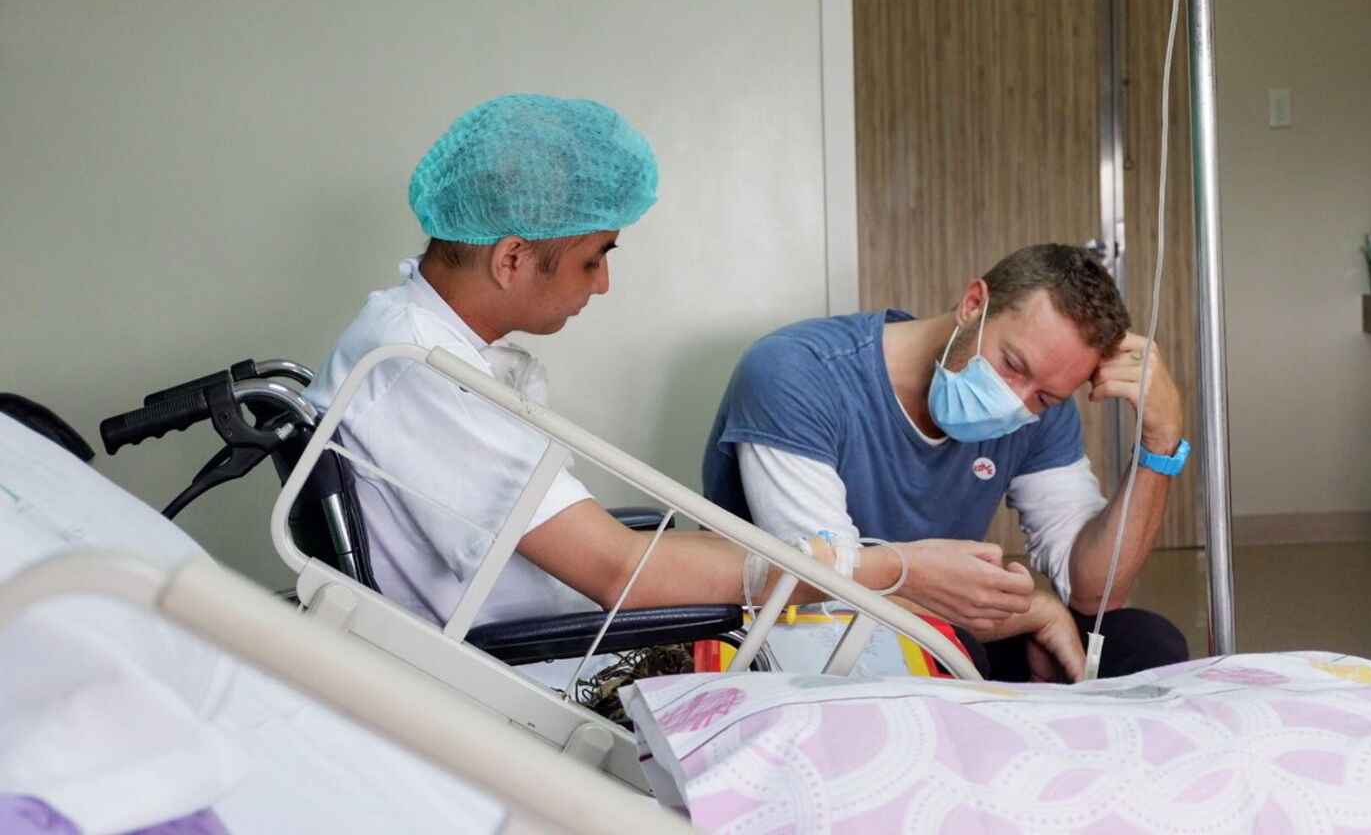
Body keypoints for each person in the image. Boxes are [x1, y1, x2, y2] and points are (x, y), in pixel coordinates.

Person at [305, 94, 1039, 659]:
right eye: (595, 257)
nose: (602, 284)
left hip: (563, 631)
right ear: (512, 258)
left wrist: (852, 567)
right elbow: (618, 571)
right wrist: (893, 569)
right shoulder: (420, 370)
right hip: (530, 663)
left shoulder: (417, 344)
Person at [701, 243, 1191, 682]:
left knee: (1143, 643)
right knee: (954, 654)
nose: (1015, 400)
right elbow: (826, 586)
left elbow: (1093, 595)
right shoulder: (797, 372)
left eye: (1044, 396)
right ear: (973, 304)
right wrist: (1034, 611)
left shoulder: (1041, 413)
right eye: (1012, 366)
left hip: (937, 626)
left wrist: (1159, 444)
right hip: (796, 630)